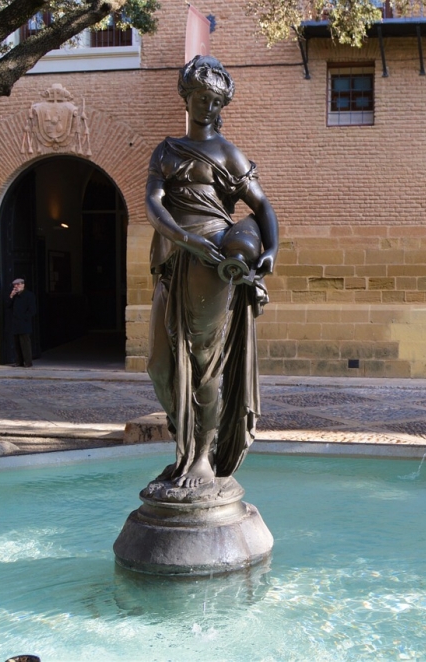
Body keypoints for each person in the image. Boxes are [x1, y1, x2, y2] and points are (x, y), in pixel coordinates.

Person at [145, 56, 279, 489]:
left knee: (204, 364)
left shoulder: (227, 153)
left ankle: (202, 457)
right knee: (159, 365)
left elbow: (262, 205)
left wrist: (271, 249)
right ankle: (184, 446)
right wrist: (183, 239)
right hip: (174, 256)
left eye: (216, 100)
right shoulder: (166, 151)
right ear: (186, 97)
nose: (208, 106)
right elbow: (154, 205)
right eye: (202, 97)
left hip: (214, 262)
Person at [7, 278, 37, 367]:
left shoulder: (29, 295)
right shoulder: (14, 296)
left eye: (18, 284)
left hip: (24, 322)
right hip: (15, 323)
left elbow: (32, 310)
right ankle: (19, 361)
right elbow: (8, 306)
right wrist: (11, 296)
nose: (16, 286)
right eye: (15, 285)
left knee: (25, 343)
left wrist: (24, 318)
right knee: (17, 343)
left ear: (23, 285)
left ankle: (28, 362)